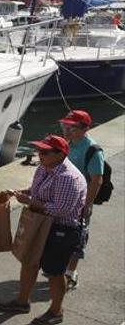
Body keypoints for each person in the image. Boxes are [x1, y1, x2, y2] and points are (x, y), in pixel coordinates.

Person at [0, 134, 87, 325]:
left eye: (45, 152)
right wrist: (23, 192)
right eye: (39, 150)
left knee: (54, 272)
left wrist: (30, 202)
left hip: (61, 229)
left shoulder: (68, 178)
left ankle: (56, 311)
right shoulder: (45, 167)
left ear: (60, 154)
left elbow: (61, 209)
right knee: (29, 261)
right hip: (41, 224)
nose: (40, 154)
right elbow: (37, 190)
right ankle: (22, 302)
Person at [59, 110, 106, 289]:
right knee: (61, 233)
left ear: (86, 128)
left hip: (80, 201)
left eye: (72, 127)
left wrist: (87, 204)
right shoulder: (67, 144)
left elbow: (97, 179)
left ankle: (71, 272)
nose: (67, 130)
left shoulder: (92, 149)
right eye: (65, 126)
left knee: (77, 237)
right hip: (65, 197)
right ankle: (59, 267)